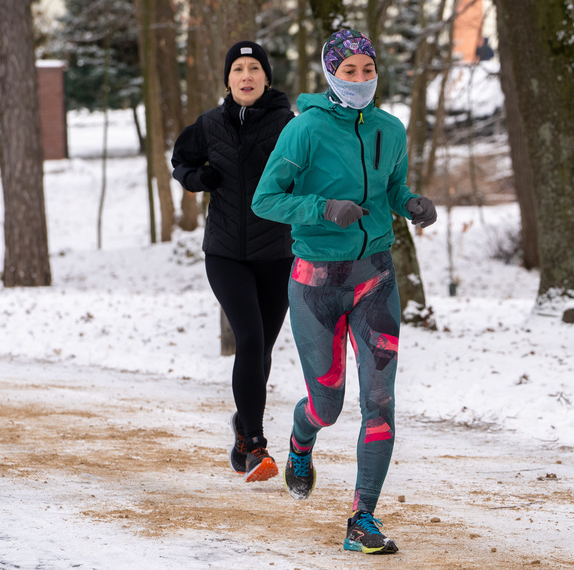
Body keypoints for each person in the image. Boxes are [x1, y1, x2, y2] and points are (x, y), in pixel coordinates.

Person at [251, 29, 437, 555]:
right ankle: (300, 438)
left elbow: (392, 187)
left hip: (375, 274)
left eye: (367, 69)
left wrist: (412, 204)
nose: (360, 79)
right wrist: (322, 208)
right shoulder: (304, 130)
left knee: (380, 400)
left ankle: (362, 518)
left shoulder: (390, 129)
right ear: (331, 74)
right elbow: (267, 199)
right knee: (328, 402)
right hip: (316, 282)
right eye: (348, 70)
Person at [171, 41, 294, 484]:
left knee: (262, 348)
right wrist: (196, 177)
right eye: (238, 69)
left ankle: (242, 428)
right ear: (228, 79)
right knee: (249, 336)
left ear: (266, 78)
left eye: (254, 68)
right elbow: (180, 161)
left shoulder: (288, 125)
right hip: (224, 252)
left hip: (278, 253)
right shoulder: (208, 124)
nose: (246, 75)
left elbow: (309, 173)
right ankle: (257, 444)